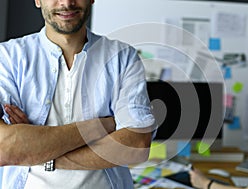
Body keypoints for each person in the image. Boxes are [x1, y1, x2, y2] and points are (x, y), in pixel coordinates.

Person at [0, 0, 155, 188]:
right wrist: (101, 126)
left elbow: (136, 146)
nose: (66, 3)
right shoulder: (7, 57)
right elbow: (4, 149)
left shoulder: (122, 57)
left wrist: (39, 153)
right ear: (38, 0)